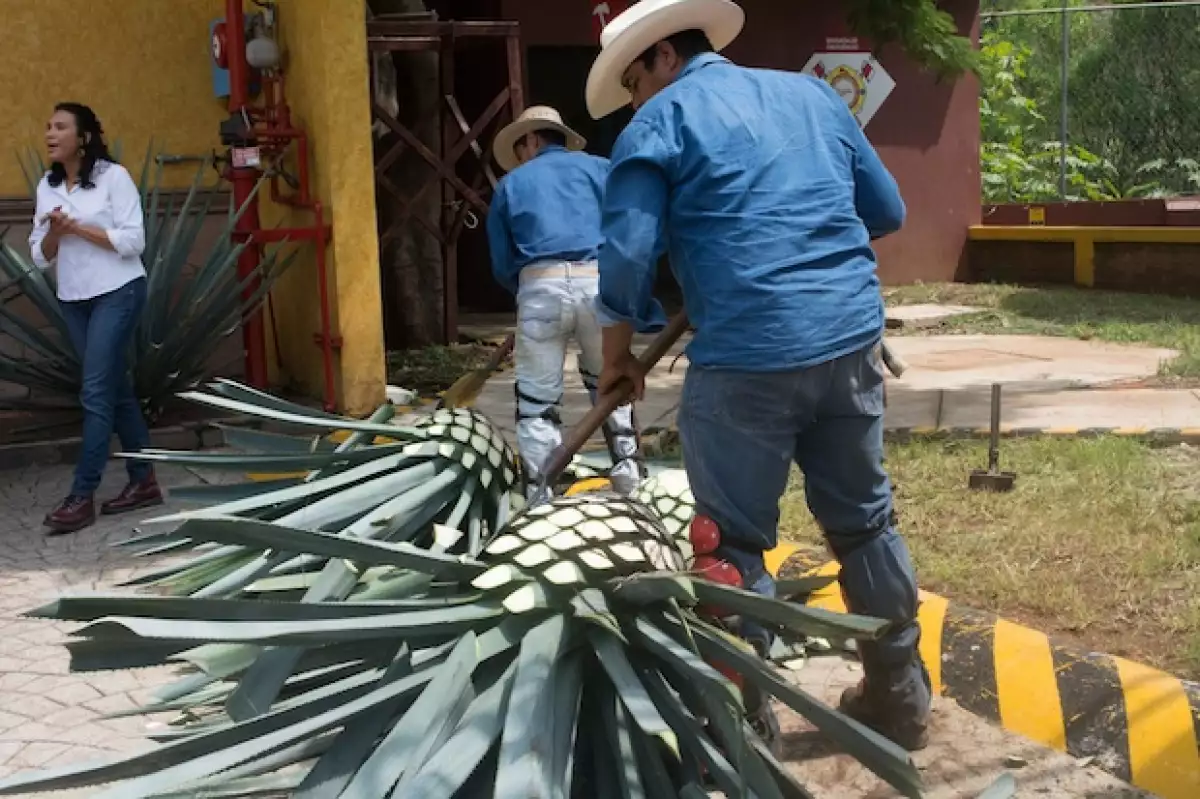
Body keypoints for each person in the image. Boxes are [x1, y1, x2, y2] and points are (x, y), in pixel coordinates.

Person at [585, 0, 932, 751]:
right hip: (847, 345)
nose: (635, 101)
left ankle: (741, 729)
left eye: (634, 82)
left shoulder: (659, 122)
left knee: (730, 544)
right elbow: (887, 208)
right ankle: (899, 697)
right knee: (866, 525)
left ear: (663, 58)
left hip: (745, 359)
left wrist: (616, 362)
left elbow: (625, 258)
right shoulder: (811, 96)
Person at [486, 105, 645, 496]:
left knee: (537, 398)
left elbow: (501, 261)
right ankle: (629, 475)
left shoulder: (511, 184)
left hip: (539, 285)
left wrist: (527, 296)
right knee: (609, 379)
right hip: (598, 282)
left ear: (531, 140)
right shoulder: (600, 169)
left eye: (521, 148)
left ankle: (541, 493)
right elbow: (628, 225)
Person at [28, 102, 161, 535]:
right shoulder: (46, 187)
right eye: (48, 127)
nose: (50, 133)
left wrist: (78, 228)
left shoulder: (112, 178)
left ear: (82, 137)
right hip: (74, 298)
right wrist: (55, 233)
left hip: (118, 292)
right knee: (116, 390)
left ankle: (81, 495)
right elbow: (39, 255)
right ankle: (144, 482)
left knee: (96, 391)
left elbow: (134, 241)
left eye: (60, 127)